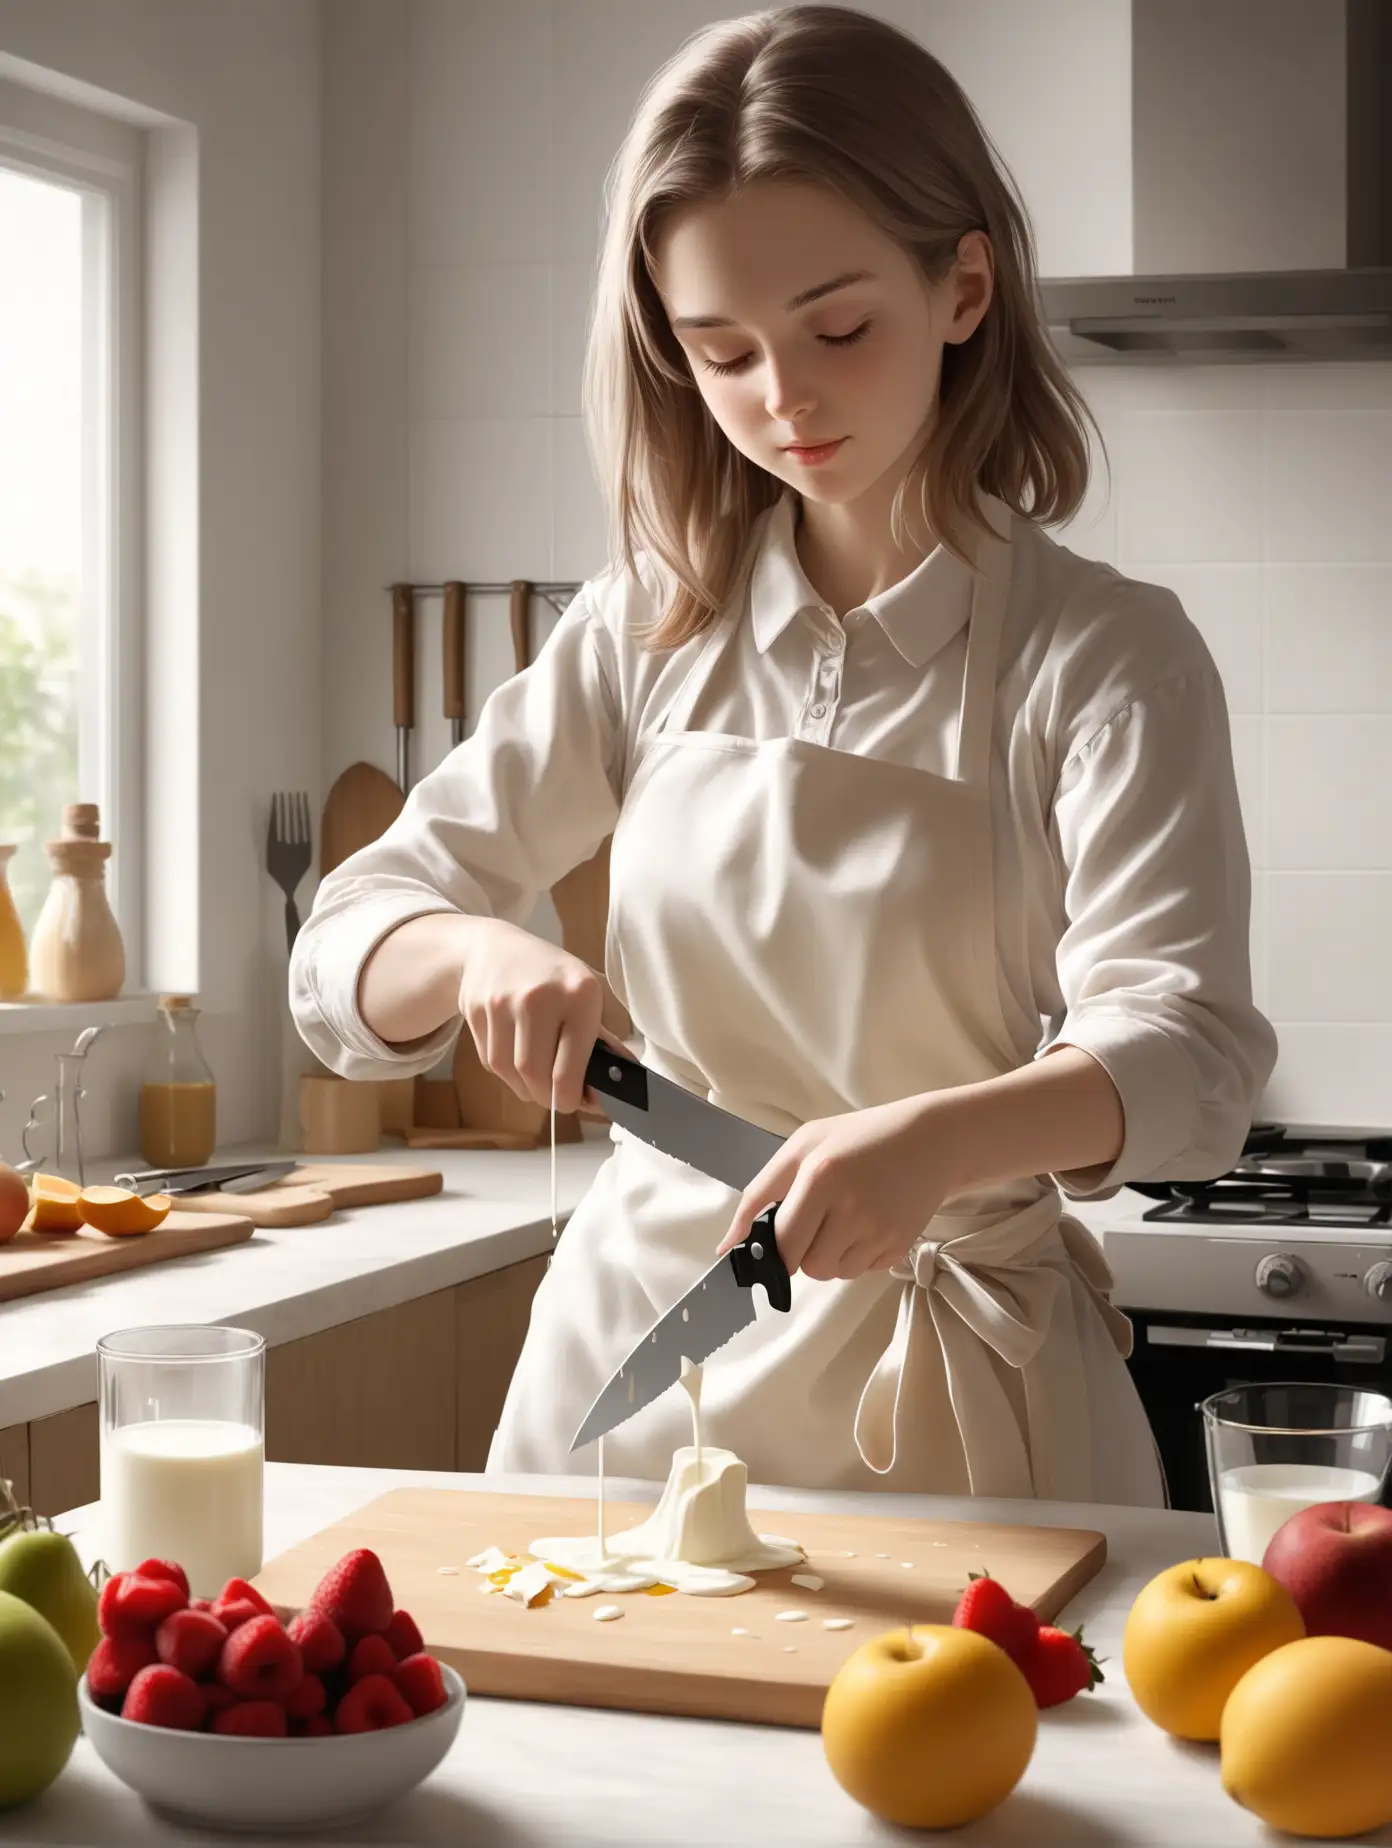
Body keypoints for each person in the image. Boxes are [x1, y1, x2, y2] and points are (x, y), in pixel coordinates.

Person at [291, 4, 1276, 1507]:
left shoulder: (1105, 657)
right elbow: (345, 942)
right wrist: (472, 957)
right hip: (635, 1382)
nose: (784, 402)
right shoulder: (644, 631)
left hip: (963, 1406)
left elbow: (1194, 1061)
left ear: (962, 287)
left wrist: (935, 1143)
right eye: (720, 352)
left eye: (836, 329)